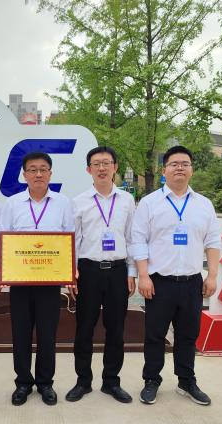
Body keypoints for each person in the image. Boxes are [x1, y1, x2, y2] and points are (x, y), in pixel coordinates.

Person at [131, 145, 220, 406]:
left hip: (192, 282)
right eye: (174, 164)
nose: (180, 168)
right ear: (164, 170)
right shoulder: (150, 203)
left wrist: (212, 276)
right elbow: (138, 240)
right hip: (159, 282)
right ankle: (151, 380)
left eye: (185, 163)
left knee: (188, 335)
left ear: (191, 169)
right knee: (155, 335)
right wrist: (143, 276)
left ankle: (186, 381)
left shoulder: (203, 204)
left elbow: (213, 241)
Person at [0, 151, 75, 406]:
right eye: (33, 169)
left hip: (50, 282)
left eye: (43, 169)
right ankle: (22, 383)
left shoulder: (63, 203)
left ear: (50, 174)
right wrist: (1, 271)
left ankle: (45, 383)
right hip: (20, 281)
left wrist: (71, 273)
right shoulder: (12, 204)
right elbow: (2, 238)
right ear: (24, 174)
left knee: (47, 333)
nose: (38, 174)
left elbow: (70, 238)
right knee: (20, 333)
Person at [66, 146, 136, 404]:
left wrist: (131, 272)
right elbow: (73, 240)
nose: (102, 168)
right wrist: (71, 274)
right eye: (96, 164)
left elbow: (131, 238)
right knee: (84, 328)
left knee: (115, 329)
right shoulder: (79, 201)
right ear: (89, 169)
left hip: (117, 271)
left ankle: (111, 382)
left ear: (115, 167)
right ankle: (83, 381)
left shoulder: (127, 200)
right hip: (88, 272)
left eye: (107, 163)